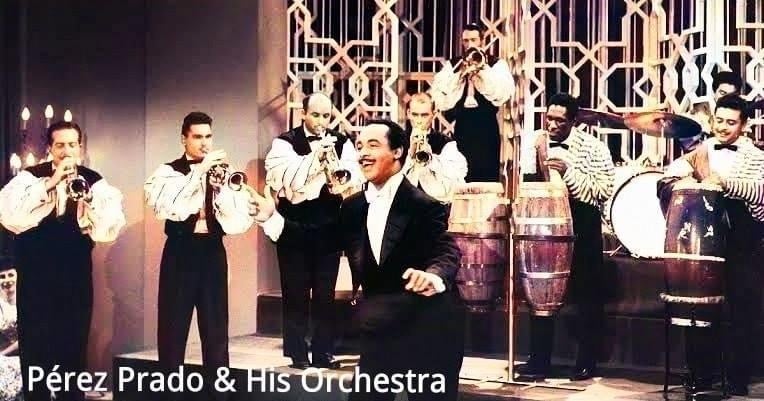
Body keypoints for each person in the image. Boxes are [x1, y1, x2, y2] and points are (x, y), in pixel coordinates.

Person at [252, 120, 465, 401]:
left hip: (430, 329)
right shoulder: (353, 207)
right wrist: (272, 218)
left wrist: (434, 275)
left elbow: (446, 250)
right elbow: (316, 238)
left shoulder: (423, 204)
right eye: (360, 146)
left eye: (373, 145)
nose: (363, 153)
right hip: (381, 329)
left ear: (398, 151)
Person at [0, 121, 126, 401]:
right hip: (36, 277)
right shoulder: (30, 178)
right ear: (50, 148)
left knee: (73, 346)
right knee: (35, 348)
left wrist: (89, 200)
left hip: (75, 276)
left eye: (72, 145)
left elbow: (108, 229)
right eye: (60, 145)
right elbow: (9, 216)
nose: (66, 151)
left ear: (80, 147)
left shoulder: (94, 180)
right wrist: (51, 183)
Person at [657, 95, 764, 396]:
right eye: (720, 120)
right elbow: (669, 176)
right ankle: (700, 374)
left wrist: (726, 183)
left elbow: (761, 194)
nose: (723, 127)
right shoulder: (701, 151)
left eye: (731, 122)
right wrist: (678, 182)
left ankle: (737, 377)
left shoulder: (756, 157)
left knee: (742, 310)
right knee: (700, 307)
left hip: (743, 242)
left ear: (743, 125)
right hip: (703, 243)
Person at [144, 112, 253, 400]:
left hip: (212, 251)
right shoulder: (168, 172)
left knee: (216, 330)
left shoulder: (224, 171)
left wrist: (221, 191)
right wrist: (199, 173)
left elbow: (238, 222)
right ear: (184, 139)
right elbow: (167, 208)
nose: (204, 143)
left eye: (208, 137)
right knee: (173, 330)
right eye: (197, 137)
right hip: (180, 252)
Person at [517, 93, 615, 381]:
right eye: (549, 118)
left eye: (560, 120)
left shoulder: (594, 148)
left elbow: (603, 190)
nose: (553, 125)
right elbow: (527, 183)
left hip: (582, 222)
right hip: (545, 222)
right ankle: (539, 360)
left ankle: (586, 361)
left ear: (574, 121)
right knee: (541, 287)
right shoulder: (536, 141)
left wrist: (569, 173)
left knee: (587, 293)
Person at [263, 92, 360, 369]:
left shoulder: (342, 142)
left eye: (326, 116)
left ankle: (323, 352)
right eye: (315, 115)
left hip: (329, 226)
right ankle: (297, 353)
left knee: (324, 295)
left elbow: (352, 178)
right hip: (295, 225)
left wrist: (338, 180)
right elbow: (289, 181)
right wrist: (317, 159)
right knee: (294, 292)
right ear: (303, 114)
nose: (321, 121)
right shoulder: (284, 143)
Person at [430, 22, 514, 182]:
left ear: (482, 41)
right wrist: (459, 75)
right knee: (462, 172)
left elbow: (502, 94)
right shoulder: (453, 64)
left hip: (487, 125)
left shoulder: (495, 63)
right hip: (463, 124)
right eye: (466, 41)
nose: (469, 44)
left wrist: (482, 72)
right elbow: (441, 98)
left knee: (487, 172)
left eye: (473, 40)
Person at [402, 92, 468, 202]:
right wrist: (410, 156)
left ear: (434, 114)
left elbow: (457, 175)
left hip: (434, 204)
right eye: (415, 115)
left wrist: (431, 160)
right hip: (404, 203)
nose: (419, 120)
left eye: (424, 115)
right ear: (408, 113)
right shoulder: (398, 140)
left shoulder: (446, 143)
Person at [0, 259, 21, 401]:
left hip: (26, 354)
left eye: (11, 275)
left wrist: (2, 354)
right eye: (2, 277)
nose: (7, 280)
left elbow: (27, 337)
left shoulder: (27, 301)